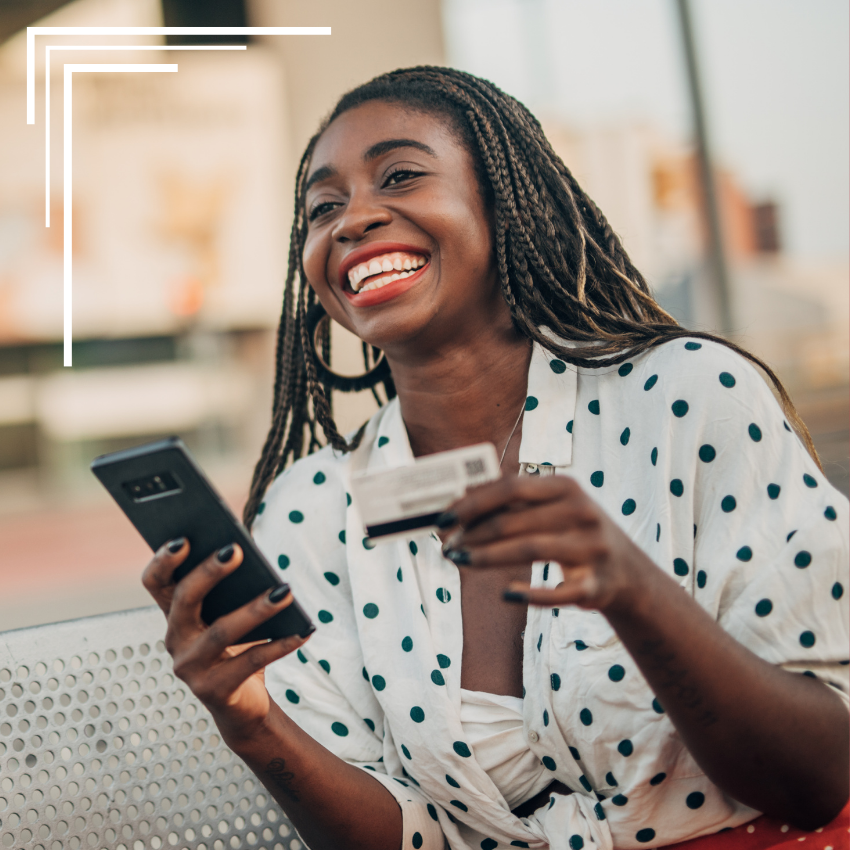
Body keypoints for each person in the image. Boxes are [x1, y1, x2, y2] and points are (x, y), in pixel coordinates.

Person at [141, 67, 849, 850]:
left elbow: (818, 778)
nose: (351, 221)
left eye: (400, 176)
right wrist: (255, 725)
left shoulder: (688, 397)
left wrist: (635, 593)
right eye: (323, 207)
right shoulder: (309, 511)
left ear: (505, 201)